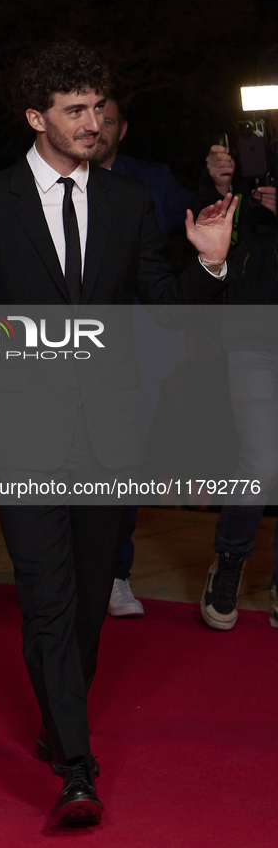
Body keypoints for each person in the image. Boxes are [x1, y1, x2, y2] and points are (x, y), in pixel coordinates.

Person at [0, 42, 236, 825]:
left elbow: (163, 309)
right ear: (36, 118)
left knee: (88, 601)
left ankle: (59, 723)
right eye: (74, 111)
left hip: (111, 438)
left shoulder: (127, 204)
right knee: (48, 600)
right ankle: (78, 769)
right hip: (26, 434)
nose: (93, 124)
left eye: (98, 108)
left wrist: (209, 268)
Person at [94, 97, 200, 617]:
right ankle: (69, 573)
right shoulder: (51, 179)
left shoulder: (152, 180)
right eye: (88, 115)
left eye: (108, 118)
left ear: (123, 127)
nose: (98, 126)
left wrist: (224, 186)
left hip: (140, 342)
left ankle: (116, 574)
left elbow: (200, 212)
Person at [199, 138, 278, 630]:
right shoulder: (255, 153)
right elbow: (209, 244)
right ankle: (228, 562)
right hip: (254, 335)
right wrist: (222, 187)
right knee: (261, 462)